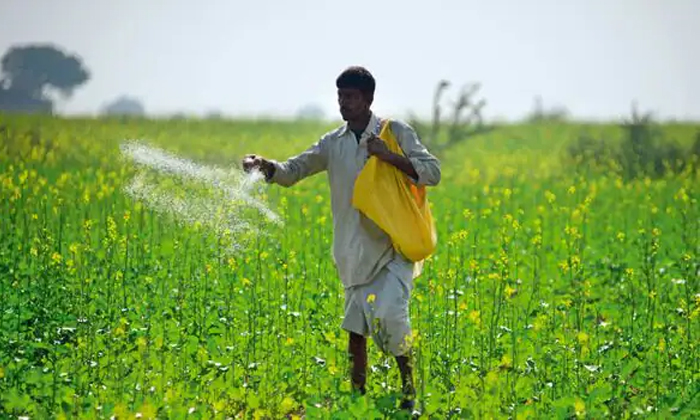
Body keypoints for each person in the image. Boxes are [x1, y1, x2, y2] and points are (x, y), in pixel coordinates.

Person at [242, 66, 441, 413]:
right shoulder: (332, 143)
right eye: (340, 97)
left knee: (392, 317)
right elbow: (294, 170)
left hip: (393, 248)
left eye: (350, 97)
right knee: (356, 329)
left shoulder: (394, 132)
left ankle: (410, 393)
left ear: (368, 100)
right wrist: (265, 166)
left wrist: (387, 156)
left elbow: (432, 172)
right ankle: (357, 400)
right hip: (352, 250)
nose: (343, 104)